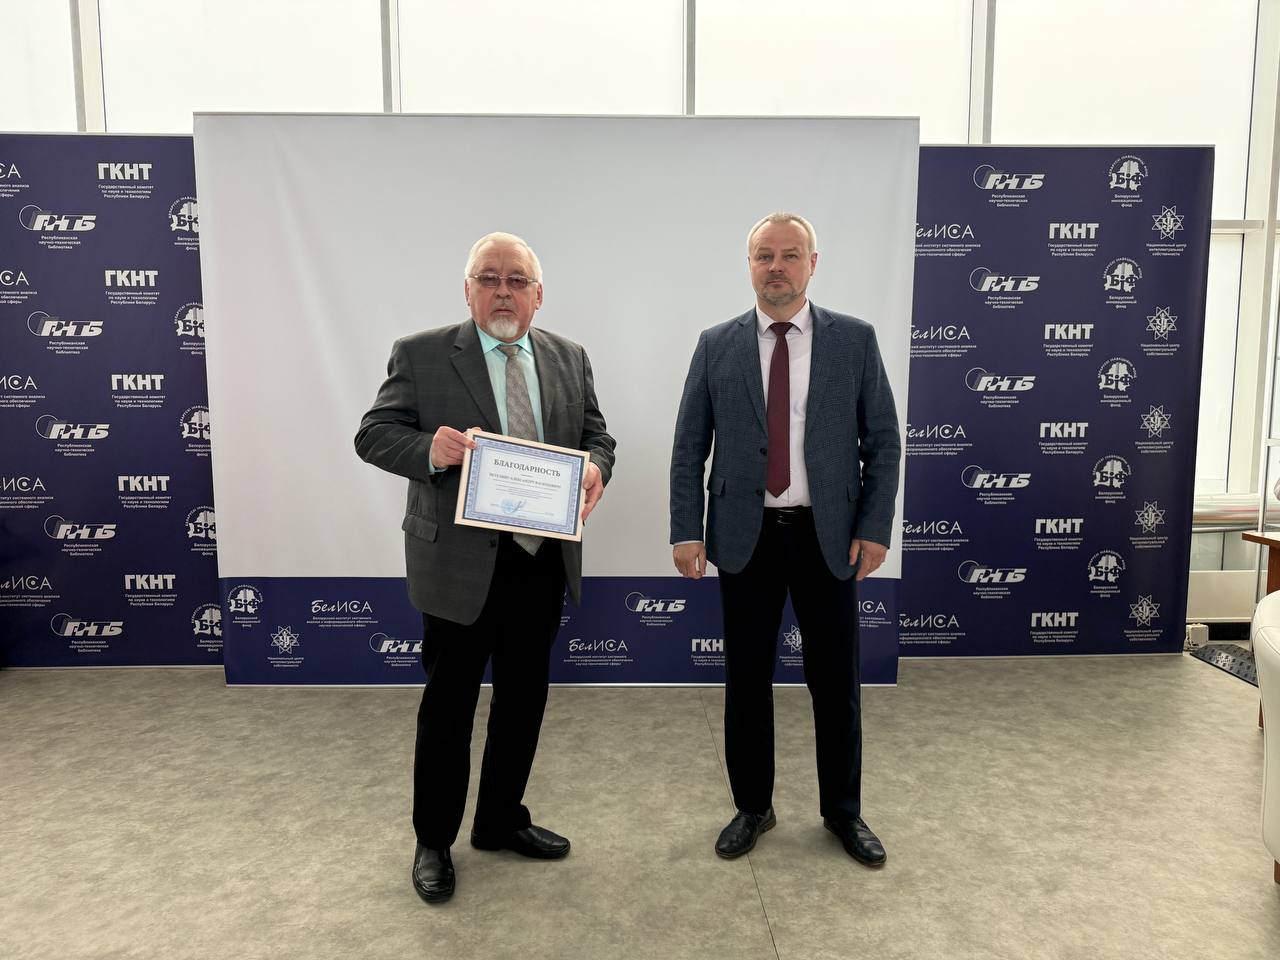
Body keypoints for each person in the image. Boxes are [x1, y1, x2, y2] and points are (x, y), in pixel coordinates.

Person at [356, 232, 616, 903]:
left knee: (524, 701)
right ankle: (433, 840)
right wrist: (431, 450)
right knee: (448, 709)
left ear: (538, 294)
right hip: (457, 568)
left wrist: (595, 467)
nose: (503, 291)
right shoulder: (421, 354)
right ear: (468, 289)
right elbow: (373, 434)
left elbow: (596, 435)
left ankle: (500, 819)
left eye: (516, 280)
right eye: (489, 278)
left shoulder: (569, 356)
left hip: (541, 561)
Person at [669, 212, 900, 866]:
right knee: (746, 680)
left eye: (790, 255)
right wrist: (686, 529)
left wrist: (873, 527)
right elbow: (689, 446)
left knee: (836, 682)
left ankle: (843, 812)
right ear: (749, 265)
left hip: (830, 538)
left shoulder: (854, 341)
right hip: (745, 537)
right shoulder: (716, 344)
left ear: (812, 264)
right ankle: (752, 807)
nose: (777, 267)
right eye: (764, 255)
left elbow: (884, 442)